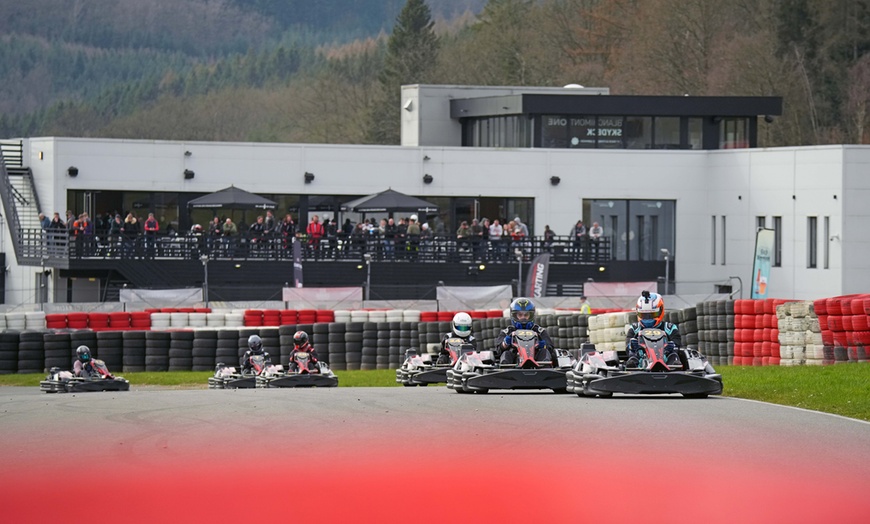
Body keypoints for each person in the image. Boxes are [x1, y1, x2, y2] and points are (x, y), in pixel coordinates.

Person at [624, 290, 681, 368]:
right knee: (633, 357)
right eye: (644, 315)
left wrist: (671, 346)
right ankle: (633, 367)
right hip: (641, 359)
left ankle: (674, 369)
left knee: (674, 355)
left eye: (652, 315)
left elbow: (677, 345)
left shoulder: (670, 328)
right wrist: (632, 346)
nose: (648, 319)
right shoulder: (634, 329)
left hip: (666, 359)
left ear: (661, 310)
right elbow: (627, 347)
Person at [495, 297, 555, 365]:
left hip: (537, 360)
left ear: (531, 316)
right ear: (514, 316)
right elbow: (498, 350)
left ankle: (545, 369)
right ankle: (505, 370)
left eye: (526, 315)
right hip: (515, 361)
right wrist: (505, 344)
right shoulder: (507, 332)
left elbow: (551, 349)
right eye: (520, 315)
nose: (523, 318)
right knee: (506, 353)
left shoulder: (540, 331)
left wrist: (543, 345)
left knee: (545, 352)